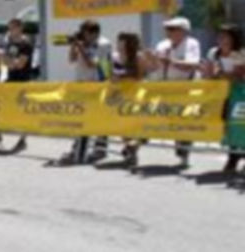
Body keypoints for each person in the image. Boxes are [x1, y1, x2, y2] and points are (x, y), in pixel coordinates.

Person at [146, 17, 201, 168]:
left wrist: (171, 61)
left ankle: (184, 152)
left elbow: (192, 65)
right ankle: (138, 143)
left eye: (173, 29)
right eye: (167, 29)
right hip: (166, 87)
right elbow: (154, 67)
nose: (168, 32)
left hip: (185, 88)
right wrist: (150, 59)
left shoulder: (192, 44)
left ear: (183, 31)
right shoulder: (162, 45)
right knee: (166, 119)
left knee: (184, 121)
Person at [57, 20, 113, 165]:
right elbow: (71, 60)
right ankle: (82, 148)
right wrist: (74, 46)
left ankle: (93, 149)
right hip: (82, 84)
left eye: (85, 33)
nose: (83, 36)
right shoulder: (84, 43)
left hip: (96, 85)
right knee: (84, 118)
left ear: (94, 33)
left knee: (95, 119)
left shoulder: (103, 44)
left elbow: (93, 64)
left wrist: (81, 48)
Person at [0, 18, 34, 153]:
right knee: (0, 104)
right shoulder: (11, 44)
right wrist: (4, 58)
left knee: (22, 111)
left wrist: (5, 58)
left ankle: (23, 140)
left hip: (22, 81)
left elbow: (20, 64)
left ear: (20, 28)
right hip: (11, 79)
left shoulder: (25, 44)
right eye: (9, 28)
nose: (10, 31)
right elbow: (9, 63)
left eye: (12, 28)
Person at [202, 24, 245, 173]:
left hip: (239, 96)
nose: (221, 40)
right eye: (220, 37)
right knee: (228, 125)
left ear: (234, 39)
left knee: (240, 124)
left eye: (225, 37)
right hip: (222, 96)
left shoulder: (240, 54)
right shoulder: (213, 53)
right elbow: (207, 73)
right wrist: (209, 73)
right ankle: (233, 155)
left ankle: (238, 156)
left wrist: (220, 74)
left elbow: (239, 76)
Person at [112, 32, 150, 167]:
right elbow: (111, 73)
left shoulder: (138, 57)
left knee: (136, 126)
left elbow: (140, 76)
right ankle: (129, 149)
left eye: (122, 42)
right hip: (121, 95)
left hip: (136, 94)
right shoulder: (115, 57)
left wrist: (123, 78)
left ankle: (133, 149)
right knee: (123, 125)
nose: (119, 45)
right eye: (119, 42)